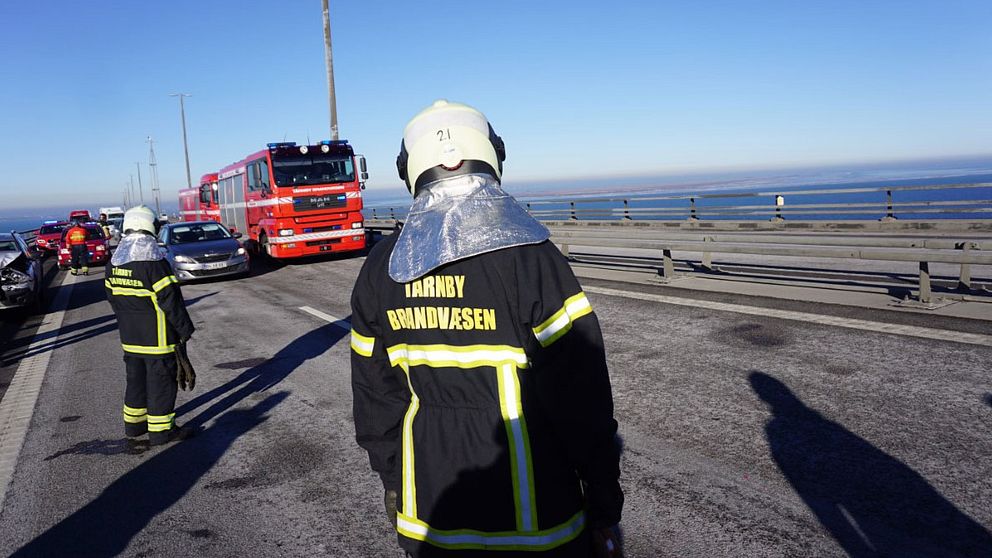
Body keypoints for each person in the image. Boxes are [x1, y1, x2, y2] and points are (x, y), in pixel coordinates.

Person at [351, 100, 624, 557]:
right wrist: (603, 502)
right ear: (493, 154)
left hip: (432, 516)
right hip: (539, 520)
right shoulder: (532, 257)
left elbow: (376, 400)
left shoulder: (380, 267)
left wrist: (396, 482)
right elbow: (583, 400)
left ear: (409, 169)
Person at [104, 205, 196, 445]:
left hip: (130, 337)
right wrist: (185, 330)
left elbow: (112, 298)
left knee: (135, 380)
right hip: (158, 338)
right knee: (161, 383)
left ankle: (134, 426)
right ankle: (162, 431)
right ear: (150, 226)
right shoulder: (154, 263)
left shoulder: (114, 262)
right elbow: (170, 301)